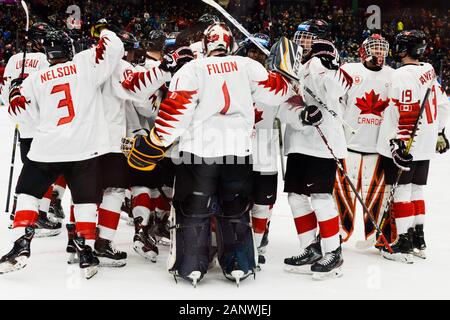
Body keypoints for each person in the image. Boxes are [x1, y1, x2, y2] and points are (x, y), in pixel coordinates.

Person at [127, 22, 292, 286]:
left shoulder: (193, 68)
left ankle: (192, 265)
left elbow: (176, 113)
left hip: (199, 153)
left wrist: (156, 141)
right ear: (230, 44)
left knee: (194, 210)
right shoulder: (247, 65)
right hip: (239, 152)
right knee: (235, 209)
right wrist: (285, 71)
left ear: (205, 45)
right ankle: (239, 263)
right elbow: (279, 92)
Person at [0, 25, 124, 279]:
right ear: (69, 48)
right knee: (85, 201)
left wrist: (14, 90)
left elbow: (22, 115)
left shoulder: (35, 79)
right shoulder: (85, 64)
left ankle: (21, 242)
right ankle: (86, 250)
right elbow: (114, 48)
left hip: (47, 148)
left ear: (47, 54)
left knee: (27, 193)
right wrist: (103, 30)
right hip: (83, 149)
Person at [280, 37, 351, 280]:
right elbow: (284, 106)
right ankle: (310, 247)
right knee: (296, 198)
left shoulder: (328, 70)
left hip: (323, 146)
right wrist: (301, 115)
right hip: (298, 143)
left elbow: (339, 88)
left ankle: (333, 251)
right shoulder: (294, 69)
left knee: (321, 199)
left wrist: (327, 64)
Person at [377, 30, 449, 263]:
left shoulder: (402, 75)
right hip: (426, 141)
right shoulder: (429, 70)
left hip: (407, 143)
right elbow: (444, 104)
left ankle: (404, 241)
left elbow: (405, 110)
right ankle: (419, 239)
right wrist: (439, 132)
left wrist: (399, 144)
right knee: (417, 190)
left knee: (402, 191)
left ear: (405, 49)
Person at [2, 22, 62, 236]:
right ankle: (40, 214)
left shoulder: (12, 60)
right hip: (44, 125)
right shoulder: (47, 60)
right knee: (45, 171)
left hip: (23, 124)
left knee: (29, 167)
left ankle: (21, 209)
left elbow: (4, 93)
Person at [333, 34, 394, 243]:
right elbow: (337, 104)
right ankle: (338, 231)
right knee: (342, 193)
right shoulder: (349, 71)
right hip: (348, 146)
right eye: (375, 48)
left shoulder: (392, 76)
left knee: (377, 194)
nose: (379, 53)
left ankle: (376, 234)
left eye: (382, 49)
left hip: (377, 149)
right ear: (364, 52)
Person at [236, 33, 277, 266]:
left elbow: (290, 110)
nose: (256, 55)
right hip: (237, 155)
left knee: (262, 206)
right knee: (236, 205)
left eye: (261, 52)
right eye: (252, 50)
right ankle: (237, 244)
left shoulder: (274, 82)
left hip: (264, 157)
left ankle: (256, 243)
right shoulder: (235, 78)